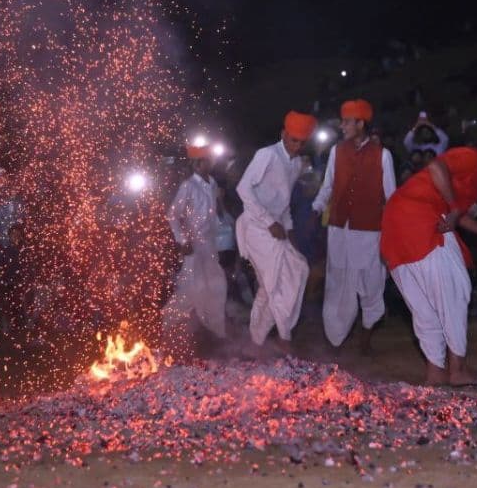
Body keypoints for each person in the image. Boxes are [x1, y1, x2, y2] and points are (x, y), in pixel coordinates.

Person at [380, 128, 477, 386]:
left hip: (396, 228)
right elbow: (436, 167)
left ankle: (435, 371)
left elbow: (459, 215)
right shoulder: (472, 157)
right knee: (455, 288)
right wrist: (452, 209)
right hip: (420, 219)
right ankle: (458, 369)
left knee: (425, 305)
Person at [310, 100, 396, 350]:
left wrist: (393, 228)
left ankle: (367, 332)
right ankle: (335, 338)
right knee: (337, 281)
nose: (342, 125)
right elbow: (327, 185)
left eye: (347, 121)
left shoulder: (384, 155)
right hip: (338, 228)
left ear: (361, 124)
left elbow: (391, 195)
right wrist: (315, 208)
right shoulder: (337, 151)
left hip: (369, 231)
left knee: (371, 283)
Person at [236, 112, 316, 350]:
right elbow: (243, 189)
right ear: (283, 134)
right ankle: (284, 338)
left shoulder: (297, 164)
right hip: (256, 227)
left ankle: (256, 339)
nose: (297, 146)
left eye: (302, 143)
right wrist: (269, 221)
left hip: (277, 230)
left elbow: (284, 204)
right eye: (293, 140)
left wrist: (289, 233)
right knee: (276, 284)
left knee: (296, 271)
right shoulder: (267, 155)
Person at [165, 141, 227, 345]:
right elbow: (173, 215)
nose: (211, 163)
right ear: (198, 164)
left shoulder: (213, 183)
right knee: (190, 286)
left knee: (216, 285)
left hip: (209, 244)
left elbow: (215, 215)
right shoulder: (188, 185)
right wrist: (182, 240)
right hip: (194, 244)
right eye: (207, 161)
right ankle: (167, 326)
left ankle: (216, 331)